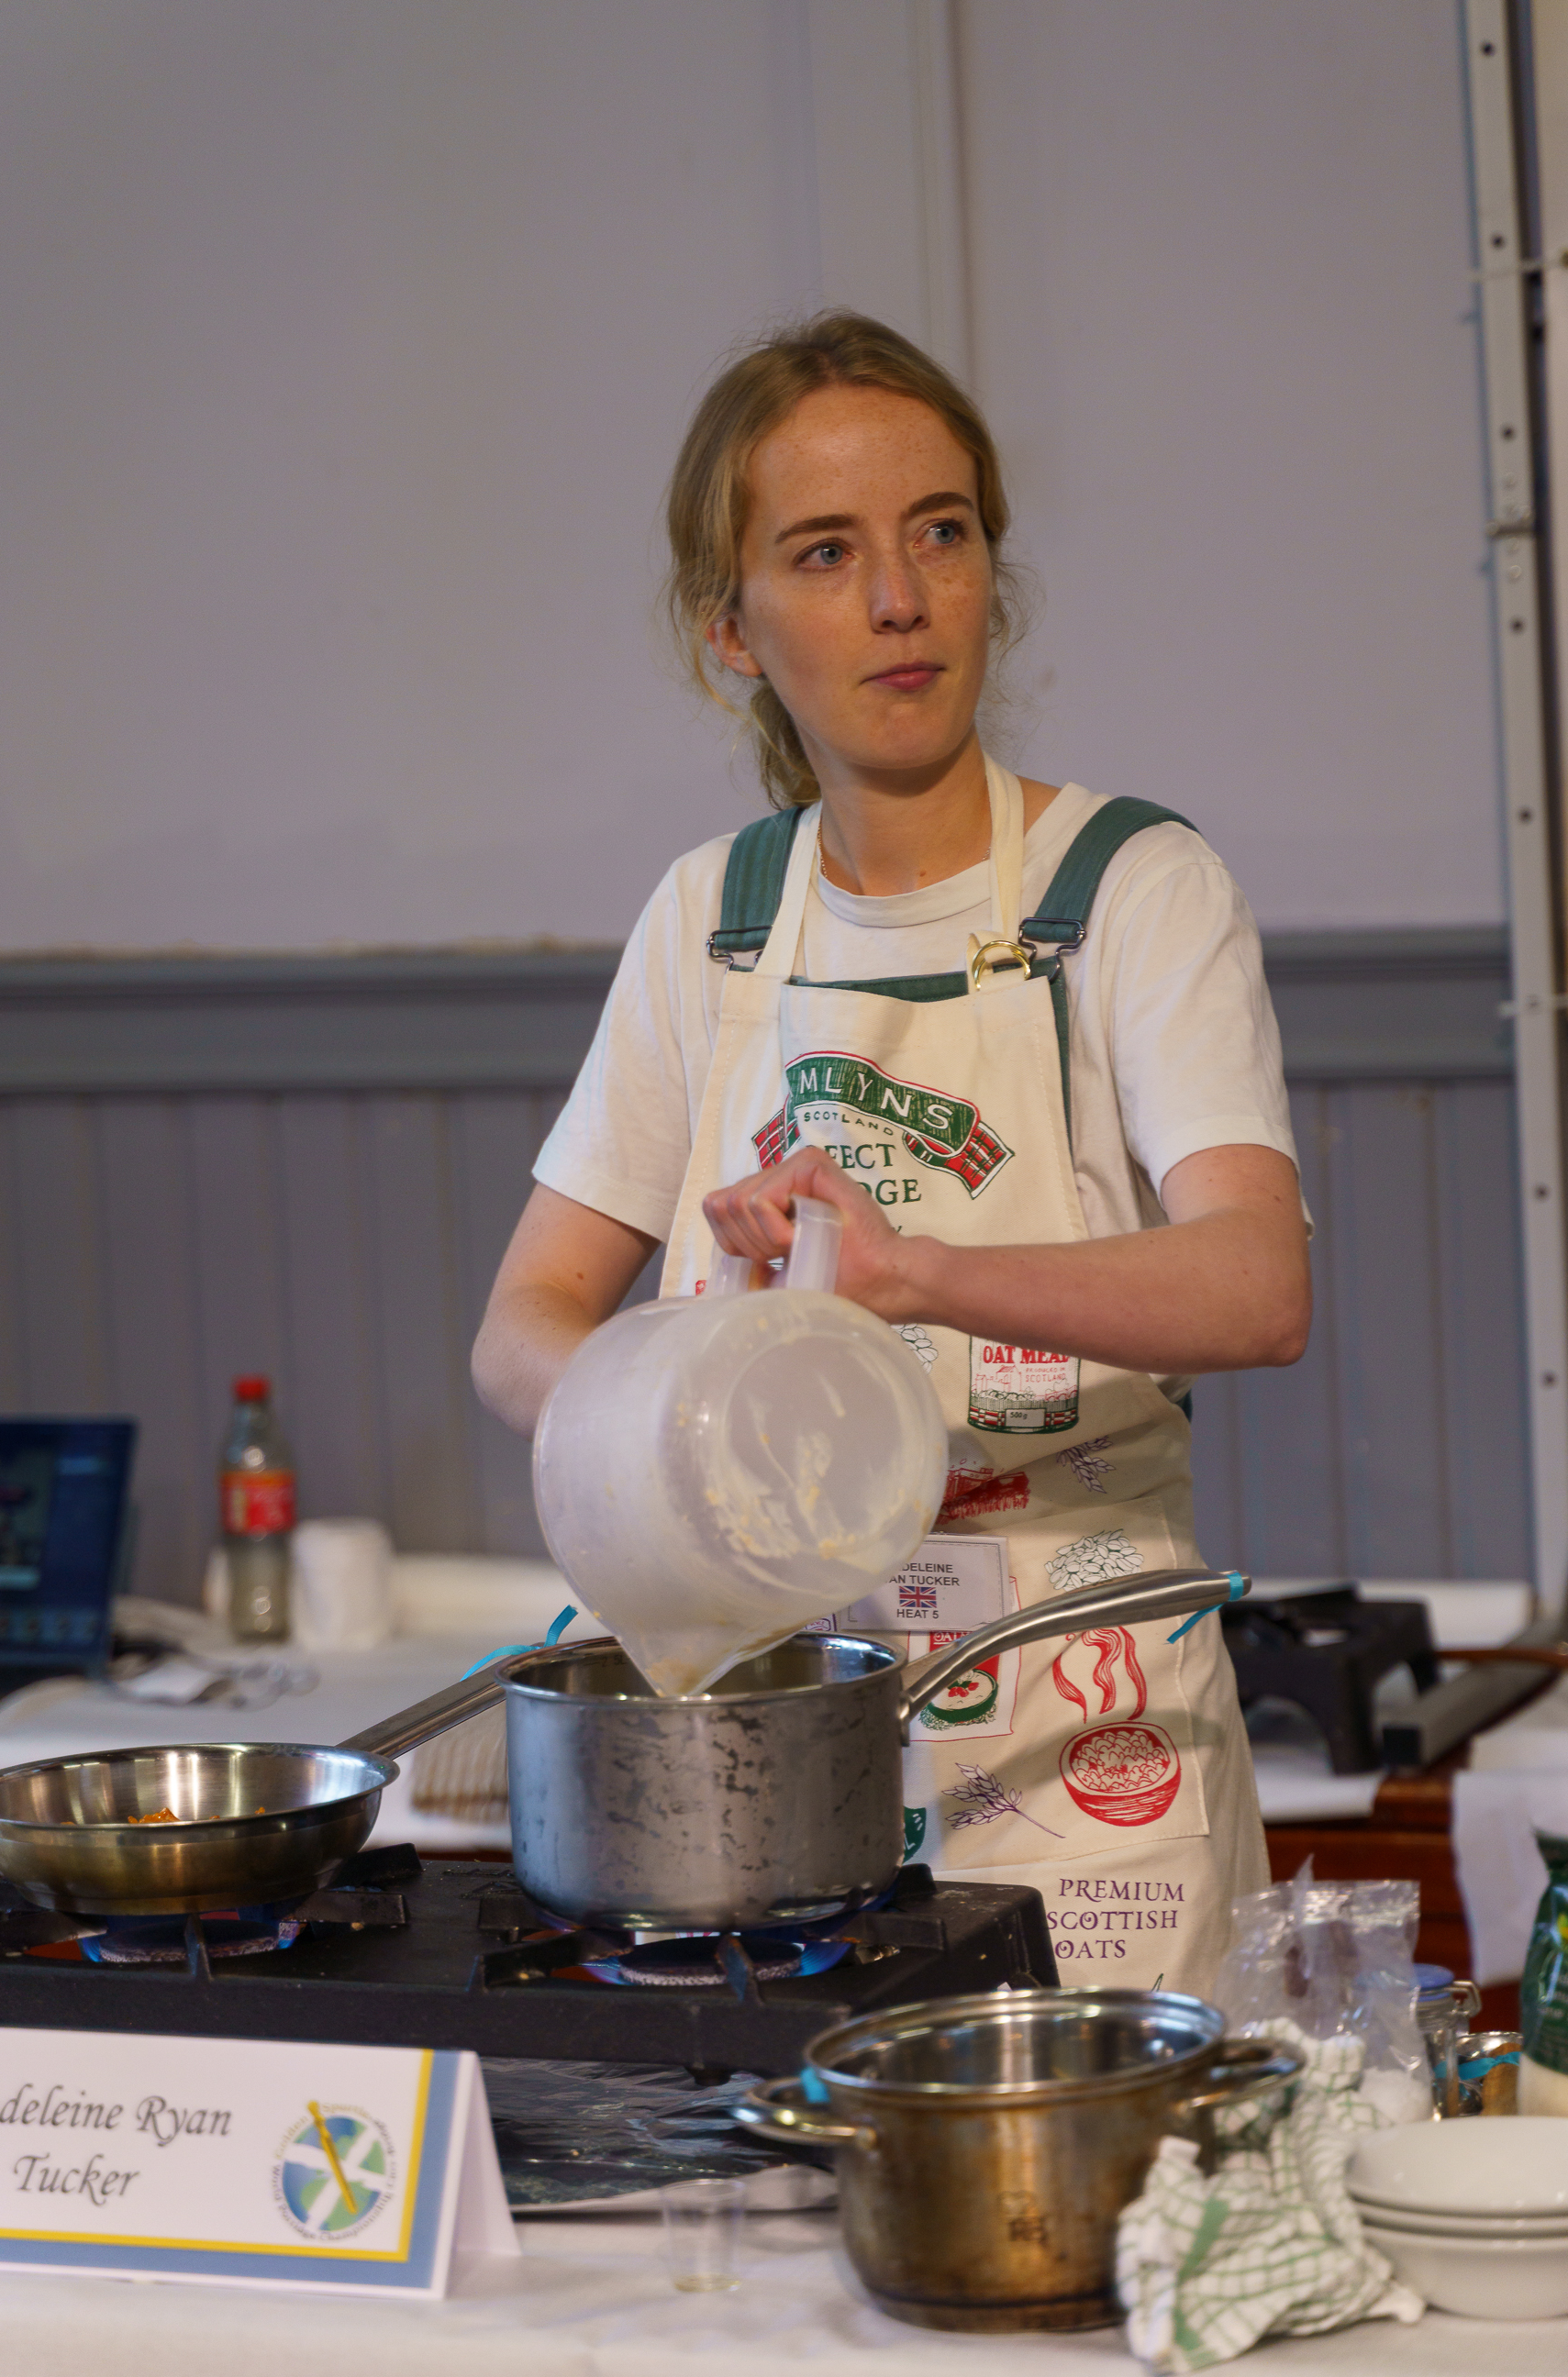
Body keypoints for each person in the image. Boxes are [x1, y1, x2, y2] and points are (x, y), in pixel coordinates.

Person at [472, 311, 1310, 1998]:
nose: (902, 598)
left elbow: (1257, 1280)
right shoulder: (711, 922)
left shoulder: (1132, 889)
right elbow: (524, 1327)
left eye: (942, 531)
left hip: (1087, 1723)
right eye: (825, 552)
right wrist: (699, 1416)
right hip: (778, 1732)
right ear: (732, 629)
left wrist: (908, 1273)